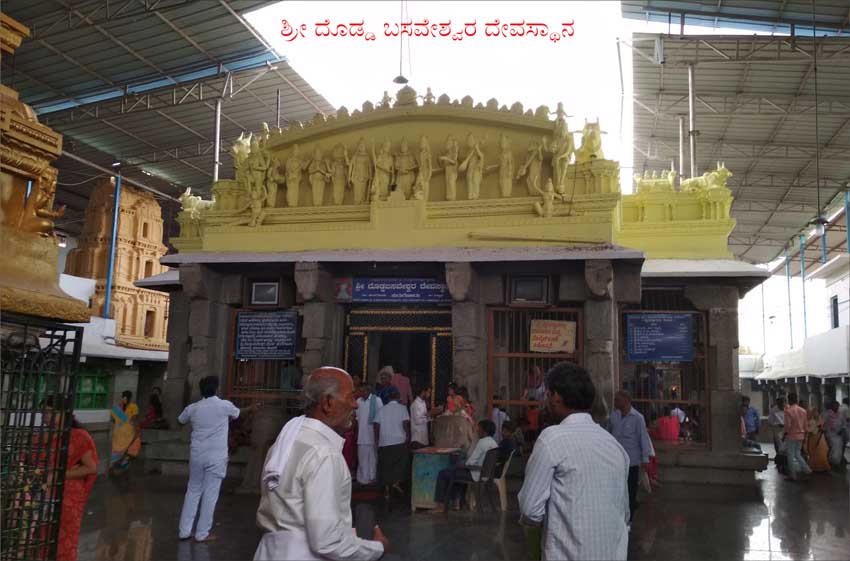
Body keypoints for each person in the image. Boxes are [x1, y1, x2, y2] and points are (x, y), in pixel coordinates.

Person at [253, 367, 388, 560]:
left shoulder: (286, 441)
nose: (355, 405)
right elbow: (327, 541)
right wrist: (377, 548)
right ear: (328, 402)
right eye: (350, 397)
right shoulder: (324, 453)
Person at [519, 362, 629, 561]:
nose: (546, 400)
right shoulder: (614, 445)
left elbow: (530, 510)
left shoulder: (551, 439)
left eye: (548, 394)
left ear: (556, 397)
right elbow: (625, 513)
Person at [177, 376, 260, 542]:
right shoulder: (224, 406)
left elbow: (180, 421)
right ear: (216, 389)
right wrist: (251, 408)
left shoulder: (193, 408)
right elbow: (238, 413)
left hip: (197, 455)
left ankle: (184, 532)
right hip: (216, 457)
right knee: (210, 494)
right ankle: (202, 533)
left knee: (193, 491)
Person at [42, 398, 99, 561]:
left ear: (65, 414)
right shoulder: (44, 435)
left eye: (51, 413)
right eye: (44, 413)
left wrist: (58, 475)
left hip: (68, 497)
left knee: (64, 541)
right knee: (41, 539)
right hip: (44, 495)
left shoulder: (79, 436)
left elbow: (91, 467)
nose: (46, 417)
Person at [433, 419, 498, 513]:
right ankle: (457, 502)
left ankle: (440, 506)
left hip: (475, 474)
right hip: (484, 474)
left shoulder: (482, 442)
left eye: (479, 429)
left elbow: (470, 463)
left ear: (484, 431)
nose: (477, 431)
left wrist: (460, 464)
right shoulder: (493, 443)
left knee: (443, 473)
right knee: (455, 471)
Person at [608, 391, 652, 522]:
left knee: (630, 490)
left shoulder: (638, 418)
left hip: (632, 461)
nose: (615, 402)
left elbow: (643, 438)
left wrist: (645, 459)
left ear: (626, 401)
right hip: (615, 460)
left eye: (617, 400)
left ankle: (629, 519)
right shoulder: (613, 416)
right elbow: (608, 433)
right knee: (617, 489)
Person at [374, 388, 410, 499]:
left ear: (388, 398)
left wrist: (377, 439)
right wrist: (408, 435)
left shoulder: (381, 410)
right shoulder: (403, 408)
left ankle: (386, 491)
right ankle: (396, 482)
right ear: (398, 397)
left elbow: (376, 425)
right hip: (399, 440)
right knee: (400, 464)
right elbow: (405, 423)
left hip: (384, 441)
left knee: (386, 466)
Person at [355, 384, 382, 485]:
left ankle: (372, 477)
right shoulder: (358, 401)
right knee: (362, 457)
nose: (360, 393)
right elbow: (357, 419)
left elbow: (380, 418)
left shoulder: (377, 400)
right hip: (362, 435)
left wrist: (378, 436)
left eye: (362, 391)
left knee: (373, 457)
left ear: (368, 391)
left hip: (373, 434)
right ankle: (363, 479)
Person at [110, 390, 140, 474]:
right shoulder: (133, 407)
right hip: (128, 432)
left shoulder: (116, 408)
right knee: (132, 448)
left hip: (118, 433)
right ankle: (123, 465)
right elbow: (134, 420)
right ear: (130, 398)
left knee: (116, 451)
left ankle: (115, 468)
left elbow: (113, 420)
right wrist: (137, 431)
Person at [784, 392, 812, 481]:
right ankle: (807, 470)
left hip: (791, 436)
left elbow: (787, 426)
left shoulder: (788, 411)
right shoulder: (803, 411)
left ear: (789, 400)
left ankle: (792, 475)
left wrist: (785, 433)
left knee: (790, 456)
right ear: (796, 399)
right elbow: (805, 425)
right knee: (797, 454)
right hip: (801, 435)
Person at [805, 407, 830, 472]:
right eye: (814, 412)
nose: (815, 413)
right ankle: (814, 467)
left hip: (820, 438)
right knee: (813, 453)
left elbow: (824, 428)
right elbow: (808, 429)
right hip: (812, 438)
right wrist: (816, 428)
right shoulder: (810, 421)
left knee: (821, 452)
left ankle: (823, 467)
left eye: (817, 412)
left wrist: (821, 429)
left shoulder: (821, 420)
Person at [824, 401, 845, 469]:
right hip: (830, 435)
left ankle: (836, 463)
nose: (836, 407)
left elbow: (844, 424)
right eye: (834, 406)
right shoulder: (827, 414)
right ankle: (831, 463)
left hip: (839, 436)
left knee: (839, 450)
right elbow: (823, 424)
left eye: (837, 406)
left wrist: (842, 430)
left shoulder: (841, 414)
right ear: (832, 406)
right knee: (833, 449)